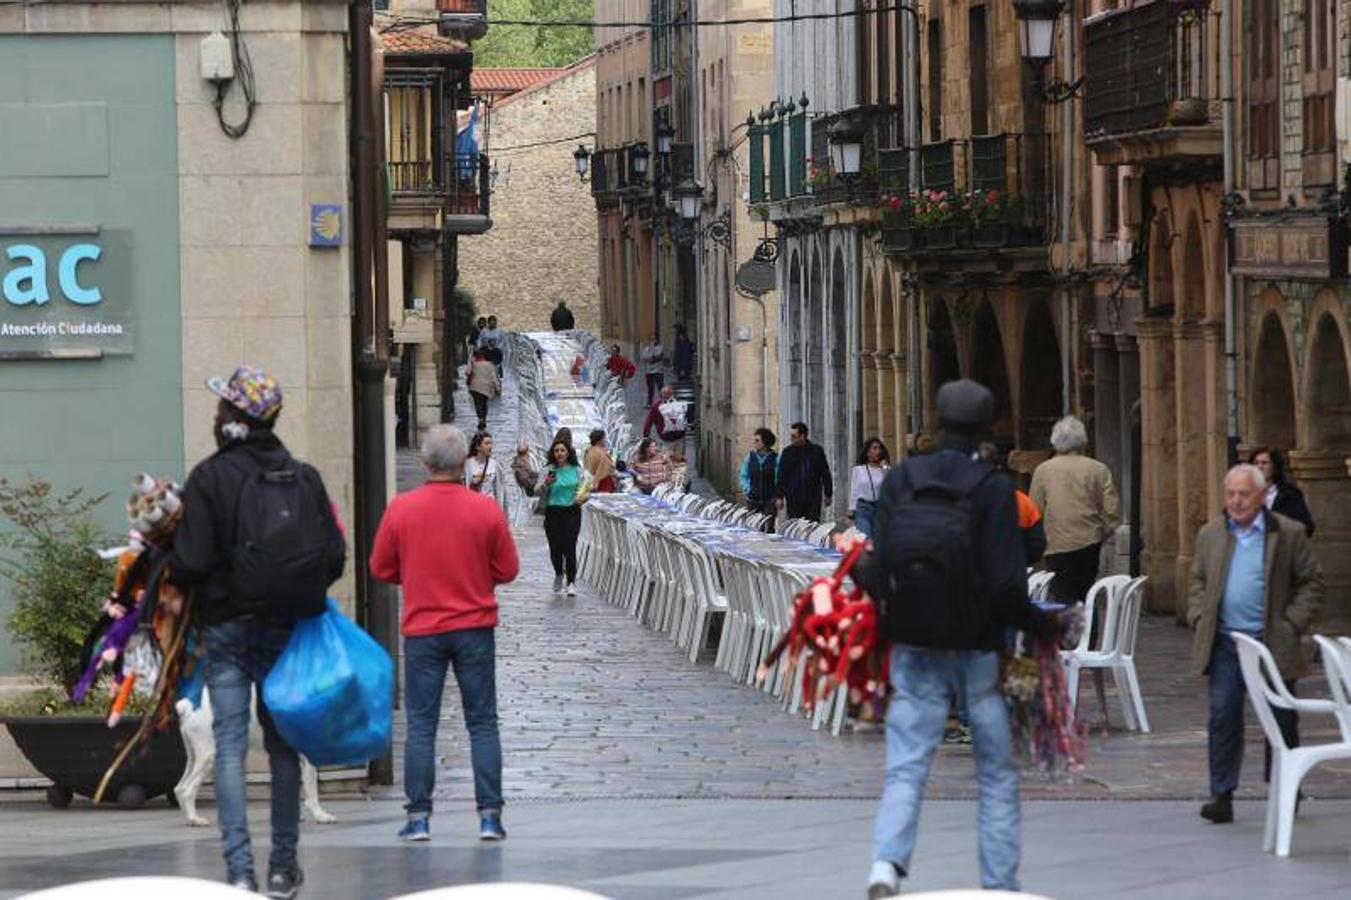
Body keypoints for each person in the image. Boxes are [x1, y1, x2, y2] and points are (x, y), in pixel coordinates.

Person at [858, 380, 1055, 897]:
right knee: (995, 772)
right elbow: (1006, 583)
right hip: (977, 646)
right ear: (987, 427)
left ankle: (886, 864)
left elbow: (879, 556)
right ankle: (998, 884)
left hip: (912, 637)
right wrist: (1039, 625)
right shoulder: (993, 488)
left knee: (906, 764)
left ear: (939, 422)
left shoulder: (901, 479)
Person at [170, 365, 347, 897]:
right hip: (287, 631)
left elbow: (192, 561)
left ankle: (241, 869)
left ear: (234, 416)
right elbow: (335, 556)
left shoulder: (210, 477)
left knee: (227, 747)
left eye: (222, 405)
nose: (216, 412)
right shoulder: (305, 476)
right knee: (283, 747)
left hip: (225, 629)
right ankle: (282, 867)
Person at [369, 425, 519, 845]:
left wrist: (414, 573)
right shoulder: (484, 510)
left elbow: (381, 568)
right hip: (474, 627)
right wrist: (475, 575)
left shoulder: (402, 509)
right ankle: (490, 816)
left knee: (421, 725)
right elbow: (508, 570)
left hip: (423, 629)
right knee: (483, 722)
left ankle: (418, 818)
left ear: (425, 462)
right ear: (461, 463)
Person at [1187, 463, 1322, 825]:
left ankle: (1285, 787)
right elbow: (1197, 580)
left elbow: (1311, 581)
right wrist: (1200, 616)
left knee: (1281, 718)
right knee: (1223, 714)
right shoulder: (1211, 534)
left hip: (1271, 642)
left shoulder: (1288, 533)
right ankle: (1222, 793)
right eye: (1230, 493)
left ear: (1261, 496)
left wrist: (1291, 622)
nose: (1236, 501)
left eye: (1244, 494)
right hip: (1227, 642)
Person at [1029, 415, 1121, 604]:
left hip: (1056, 542)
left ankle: (1068, 632)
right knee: (1087, 593)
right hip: (1090, 540)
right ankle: (1089, 632)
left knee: (1062, 595)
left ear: (1055, 441)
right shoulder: (1098, 469)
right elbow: (1112, 511)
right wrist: (1101, 532)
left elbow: (1035, 509)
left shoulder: (1043, 470)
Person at [979, 443, 1046, 565]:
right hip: (1012, 574)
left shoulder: (961, 500)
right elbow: (1037, 544)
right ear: (998, 467)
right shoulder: (1022, 500)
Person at [538, 438, 585, 595]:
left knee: (570, 547)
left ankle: (571, 582)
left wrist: (584, 496)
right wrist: (546, 484)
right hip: (553, 512)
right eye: (556, 450)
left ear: (568, 452)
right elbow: (536, 490)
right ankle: (559, 573)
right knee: (555, 548)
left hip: (572, 511)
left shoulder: (576, 469)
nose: (559, 453)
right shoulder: (548, 470)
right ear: (553, 453)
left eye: (562, 450)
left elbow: (584, 488)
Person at [1249, 447, 1315, 537]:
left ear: (1275, 467)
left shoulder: (1289, 493)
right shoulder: (1244, 493)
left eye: (1264, 463)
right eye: (1256, 463)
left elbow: (1305, 526)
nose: (1259, 467)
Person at [774, 422, 833, 522]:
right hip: (793, 498)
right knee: (795, 526)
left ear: (803, 436)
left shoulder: (816, 451)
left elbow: (825, 473)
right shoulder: (787, 452)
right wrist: (779, 496)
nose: (791, 439)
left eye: (794, 436)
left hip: (812, 498)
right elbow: (781, 475)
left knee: (812, 525)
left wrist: (828, 493)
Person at [849, 438, 891, 538]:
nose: (878, 451)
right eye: (874, 448)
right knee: (865, 537)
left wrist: (885, 467)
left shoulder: (885, 469)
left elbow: (892, 482)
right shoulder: (859, 470)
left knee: (879, 539)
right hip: (863, 508)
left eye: (879, 448)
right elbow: (854, 490)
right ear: (868, 453)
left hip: (880, 508)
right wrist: (851, 512)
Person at [739, 428, 779, 522]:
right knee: (753, 527)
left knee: (768, 528)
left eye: (757, 440)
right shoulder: (750, 457)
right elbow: (744, 475)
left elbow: (778, 479)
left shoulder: (775, 458)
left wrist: (777, 495)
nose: (755, 443)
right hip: (753, 500)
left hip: (769, 500)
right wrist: (747, 489)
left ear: (765, 442)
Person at [465, 431, 507, 513]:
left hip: (489, 508)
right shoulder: (467, 464)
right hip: (473, 508)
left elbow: (500, 490)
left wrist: (500, 513)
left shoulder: (495, 465)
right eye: (487, 443)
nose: (490, 446)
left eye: (491, 443)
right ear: (478, 446)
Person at [642, 384, 688, 452]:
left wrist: (646, 435)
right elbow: (685, 418)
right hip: (679, 437)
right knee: (679, 460)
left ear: (662, 394)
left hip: (664, 438)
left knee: (665, 460)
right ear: (672, 394)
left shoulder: (657, 405)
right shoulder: (679, 404)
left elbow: (649, 421)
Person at [467, 349, 500, 431]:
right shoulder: (490, 365)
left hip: (474, 386)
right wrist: (497, 388)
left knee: (477, 403)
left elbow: (467, 372)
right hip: (486, 388)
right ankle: (483, 419)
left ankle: (480, 419)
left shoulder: (473, 363)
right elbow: (494, 378)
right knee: (484, 403)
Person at [641, 332, 665, 406]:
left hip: (658, 371)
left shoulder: (660, 347)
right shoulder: (646, 348)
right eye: (651, 339)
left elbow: (657, 356)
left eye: (653, 339)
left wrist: (650, 357)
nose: (652, 340)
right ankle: (649, 403)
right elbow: (644, 357)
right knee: (650, 389)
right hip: (649, 372)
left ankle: (664, 401)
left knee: (661, 387)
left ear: (656, 340)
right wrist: (650, 356)